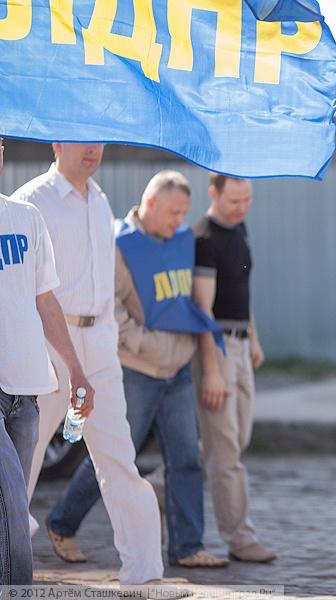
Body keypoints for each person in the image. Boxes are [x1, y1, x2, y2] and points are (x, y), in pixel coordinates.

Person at [45, 170, 228, 568]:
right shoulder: (119, 245)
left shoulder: (180, 241)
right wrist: (151, 346)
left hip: (176, 370)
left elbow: (189, 302)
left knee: (185, 459)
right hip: (137, 370)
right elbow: (116, 311)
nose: (180, 221)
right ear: (149, 204)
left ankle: (187, 547)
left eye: (184, 213)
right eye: (173, 212)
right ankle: (62, 523)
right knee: (111, 459)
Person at [13, 143, 164, 584]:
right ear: (57, 143)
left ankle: (144, 574)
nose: (93, 148)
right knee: (22, 463)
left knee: (120, 459)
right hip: (46, 344)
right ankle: (10, 565)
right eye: (81, 137)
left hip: (101, 345)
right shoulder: (31, 201)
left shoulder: (100, 202)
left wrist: (108, 341)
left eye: (99, 138)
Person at [0, 137, 95, 584]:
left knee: (9, 506)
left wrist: (75, 370)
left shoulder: (26, 217)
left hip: (27, 390)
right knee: (14, 506)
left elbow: (45, 302)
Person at [192, 173, 274, 562]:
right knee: (225, 451)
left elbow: (243, 290)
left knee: (234, 440)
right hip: (218, 347)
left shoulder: (240, 228)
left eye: (247, 200)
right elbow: (202, 308)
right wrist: (211, 367)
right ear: (214, 193)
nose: (241, 208)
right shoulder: (204, 238)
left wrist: (253, 338)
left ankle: (160, 490)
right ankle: (240, 538)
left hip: (242, 346)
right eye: (233, 201)